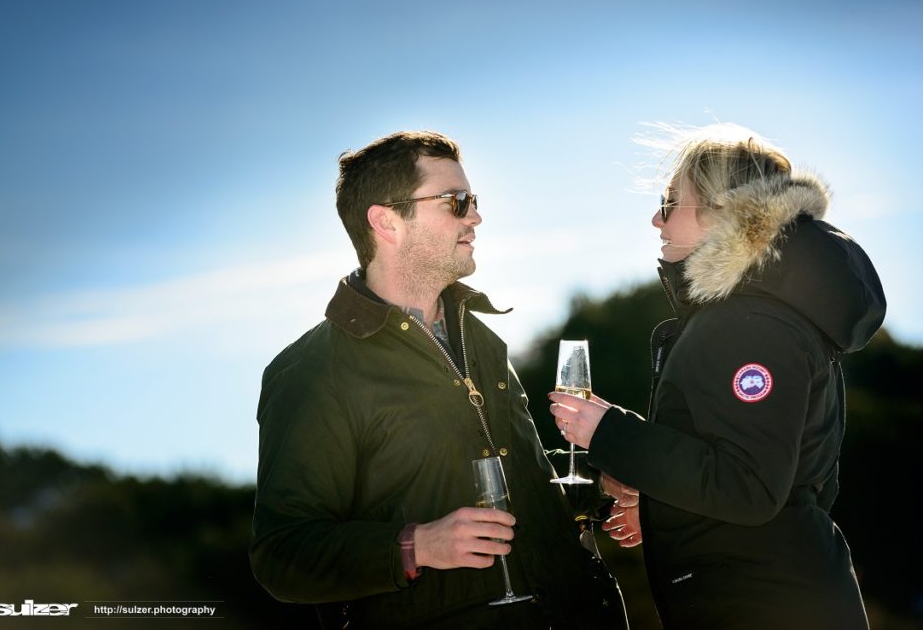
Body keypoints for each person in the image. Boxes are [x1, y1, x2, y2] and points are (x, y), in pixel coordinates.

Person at [250, 130, 629, 629]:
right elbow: (283, 554)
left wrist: (603, 486)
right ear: (387, 222)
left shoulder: (482, 339)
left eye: (473, 200)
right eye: (456, 201)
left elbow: (506, 480)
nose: (475, 216)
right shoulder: (315, 372)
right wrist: (416, 545)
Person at [549, 123, 886, 629]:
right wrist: (667, 511)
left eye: (669, 202)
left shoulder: (749, 324)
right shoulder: (760, 314)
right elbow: (762, 479)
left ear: (723, 211)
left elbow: (747, 485)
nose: (655, 219)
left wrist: (608, 432)